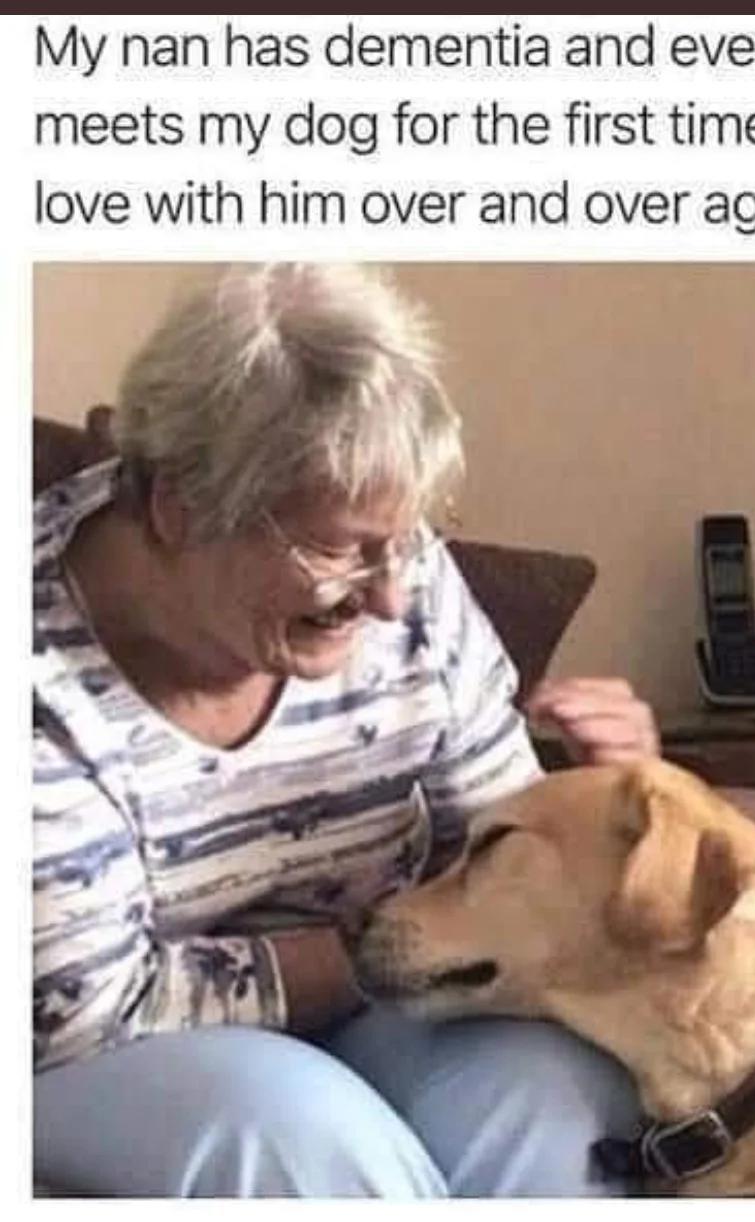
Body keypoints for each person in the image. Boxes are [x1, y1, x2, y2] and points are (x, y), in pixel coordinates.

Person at [32, 263, 659, 1198]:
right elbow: (87, 1009)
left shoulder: (406, 587)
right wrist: (396, 947)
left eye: (403, 539)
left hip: (379, 990)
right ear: (179, 507)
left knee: (548, 1095)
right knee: (297, 1137)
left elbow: (499, 855)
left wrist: (613, 812)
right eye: (336, 547)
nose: (390, 594)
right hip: (76, 1056)